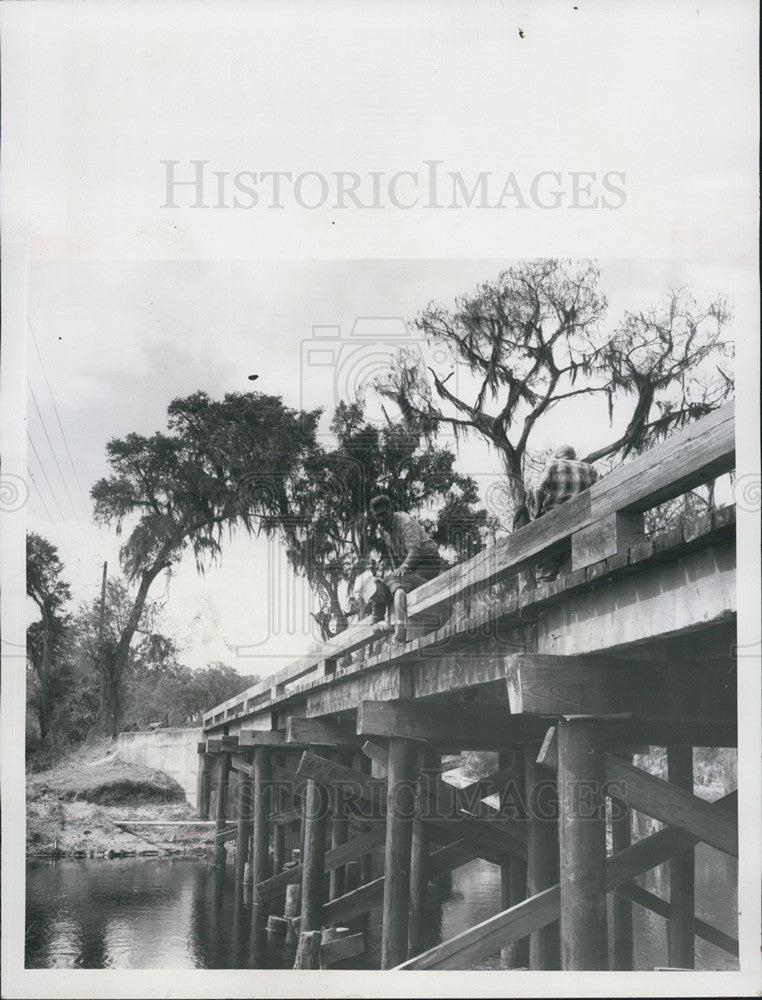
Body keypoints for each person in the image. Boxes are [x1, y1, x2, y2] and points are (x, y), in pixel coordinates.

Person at [366, 494, 441, 642]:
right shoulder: (383, 530)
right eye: (377, 517)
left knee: (403, 586)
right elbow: (392, 555)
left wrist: (404, 568)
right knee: (385, 587)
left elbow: (415, 551)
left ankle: (402, 629)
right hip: (409, 567)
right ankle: (397, 629)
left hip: (426, 561)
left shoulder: (405, 522)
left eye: (383, 514)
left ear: (391, 510)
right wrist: (396, 573)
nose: (381, 519)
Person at [534, 445, 598, 581]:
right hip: (581, 516)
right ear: (574, 456)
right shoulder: (588, 468)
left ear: (558, 455)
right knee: (572, 558)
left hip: (554, 515)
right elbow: (597, 491)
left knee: (548, 557)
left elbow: (538, 490)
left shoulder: (553, 464)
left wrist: (538, 511)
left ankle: (546, 587)